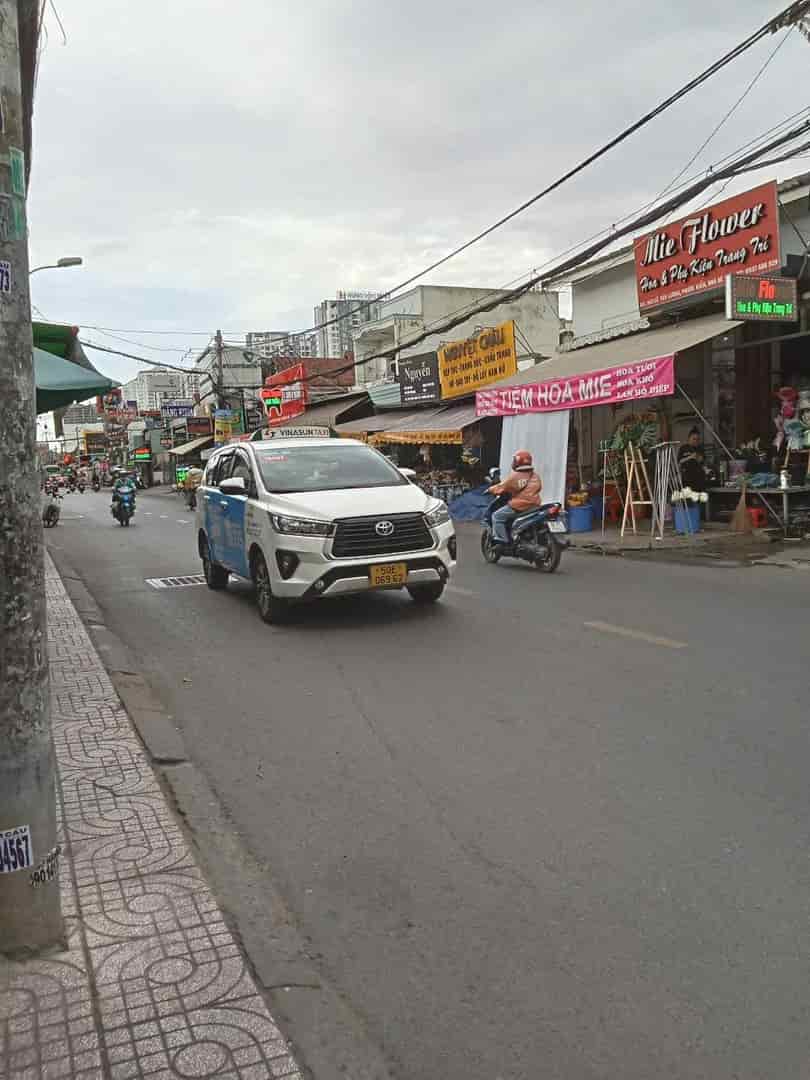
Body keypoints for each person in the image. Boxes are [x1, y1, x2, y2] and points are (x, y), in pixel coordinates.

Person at [488, 450, 542, 546]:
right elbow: (539, 488)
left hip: (519, 506)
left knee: (496, 516)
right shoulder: (535, 476)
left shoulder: (515, 477)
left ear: (517, 461)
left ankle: (502, 541)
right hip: (535, 505)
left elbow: (501, 488)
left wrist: (490, 489)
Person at [678, 427, 708, 492]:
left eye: (698, 439)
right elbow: (680, 462)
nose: (696, 441)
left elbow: (702, 461)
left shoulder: (700, 449)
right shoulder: (683, 448)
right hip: (686, 481)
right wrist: (690, 457)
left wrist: (698, 457)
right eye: (694, 439)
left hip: (699, 481)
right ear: (689, 439)